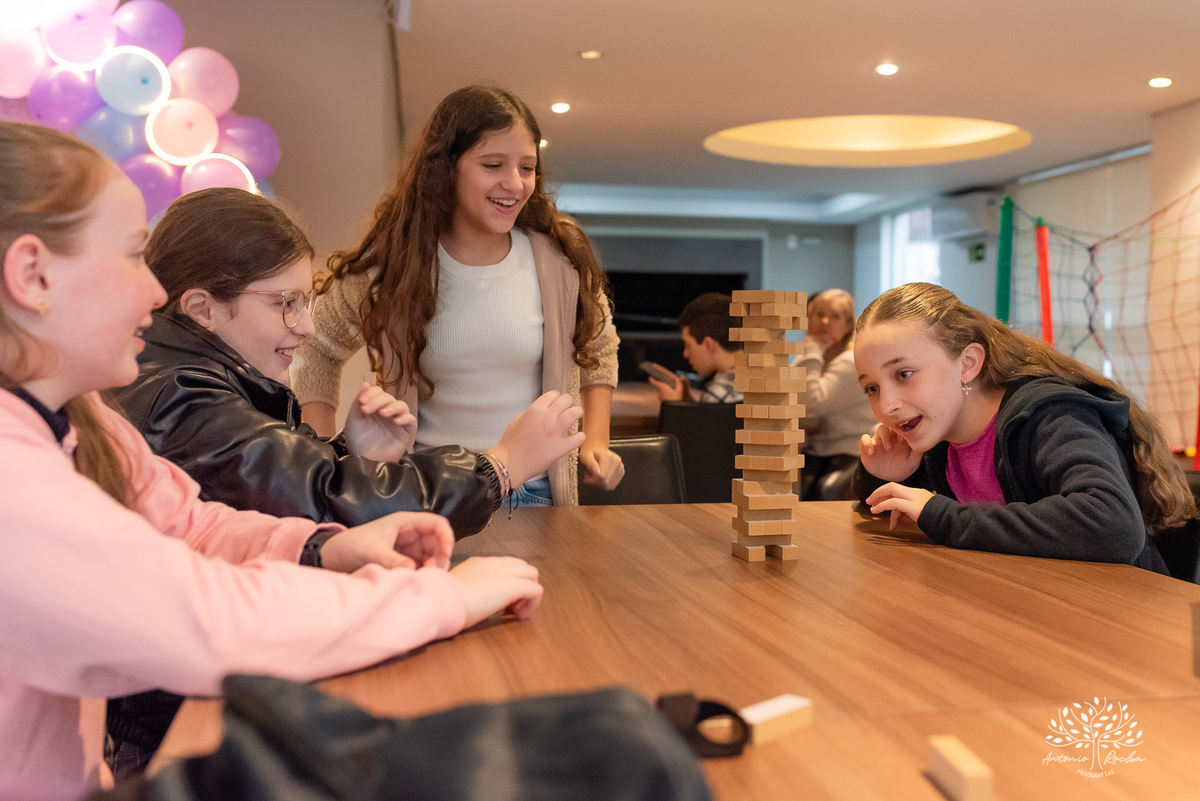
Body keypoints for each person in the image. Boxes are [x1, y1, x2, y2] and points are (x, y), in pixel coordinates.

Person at [0, 123, 544, 800]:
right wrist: (445, 597)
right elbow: (208, 622)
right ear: (31, 274)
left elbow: (190, 527)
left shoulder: (87, 422)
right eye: (133, 257)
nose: (153, 292)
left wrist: (322, 548)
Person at [118, 187, 585, 537]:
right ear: (202, 308)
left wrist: (348, 450)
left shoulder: (205, 380)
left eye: (306, 303)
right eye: (285, 303)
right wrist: (501, 464)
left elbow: (281, 487)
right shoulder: (181, 398)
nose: (305, 327)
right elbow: (322, 500)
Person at [293, 85, 623, 506]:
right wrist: (324, 454)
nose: (515, 183)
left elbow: (601, 346)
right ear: (447, 168)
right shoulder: (395, 266)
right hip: (429, 492)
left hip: (537, 494)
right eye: (492, 165)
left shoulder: (559, 261)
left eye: (527, 167)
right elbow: (317, 345)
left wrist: (596, 441)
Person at [852, 282, 1194, 573]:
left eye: (904, 374)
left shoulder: (1049, 415)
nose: (886, 406)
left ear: (968, 364)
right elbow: (900, 511)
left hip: (1120, 621)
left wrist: (942, 517)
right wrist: (885, 477)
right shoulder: (941, 437)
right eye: (872, 388)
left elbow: (1113, 523)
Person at [791, 289, 876, 500]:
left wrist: (810, 350)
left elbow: (812, 401)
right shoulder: (812, 357)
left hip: (849, 452)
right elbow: (789, 401)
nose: (825, 321)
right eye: (818, 314)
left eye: (835, 316)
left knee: (825, 493)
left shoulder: (850, 360)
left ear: (848, 325)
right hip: (816, 451)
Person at [647, 292, 743, 404]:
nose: (685, 354)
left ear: (708, 345)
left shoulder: (718, 391)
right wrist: (688, 402)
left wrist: (673, 406)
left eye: (688, 345)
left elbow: (707, 419)